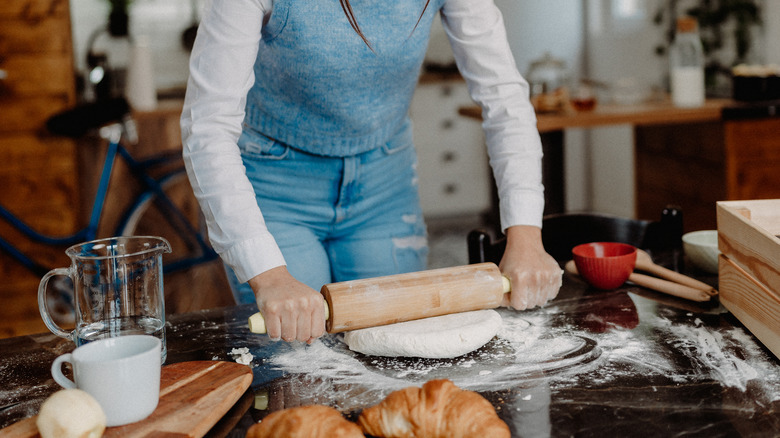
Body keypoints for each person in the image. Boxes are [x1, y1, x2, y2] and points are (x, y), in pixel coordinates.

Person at [180, 0, 562, 344]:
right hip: (275, 187)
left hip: (385, 185)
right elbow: (207, 127)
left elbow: (504, 100)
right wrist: (269, 275)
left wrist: (526, 236)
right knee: (299, 368)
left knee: (396, 354)